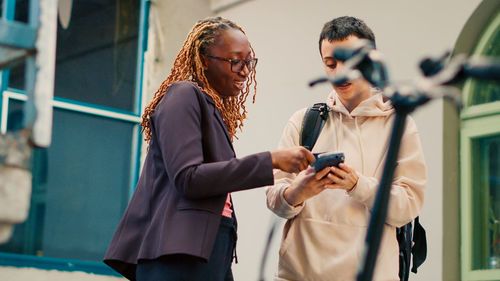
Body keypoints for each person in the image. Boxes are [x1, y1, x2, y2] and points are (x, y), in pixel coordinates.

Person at [103, 16, 315, 281]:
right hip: (178, 256)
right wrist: (271, 160)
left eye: (249, 61)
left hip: (207, 250)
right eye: (236, 61)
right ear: (204, 60)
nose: (245, 71)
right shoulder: (182, 95)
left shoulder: (207, 106)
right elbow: (188, 178)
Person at [266, 16, 427, 281]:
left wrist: (357, 185)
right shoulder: (305, 121)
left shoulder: (399, 125)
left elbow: (407, 206)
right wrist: (297, 192)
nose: (339, 71)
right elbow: (274, 199)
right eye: (330, 64)